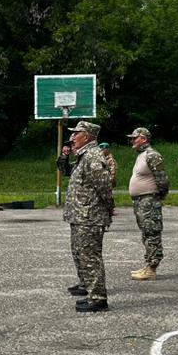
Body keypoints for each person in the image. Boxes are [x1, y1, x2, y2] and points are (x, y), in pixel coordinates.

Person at [62, 121, 114, 313]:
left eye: (76, 134)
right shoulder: (84, 156)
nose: (72, 137)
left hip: (90, 216)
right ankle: (89, 289)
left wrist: (108, 209)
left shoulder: (92, 156)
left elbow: (104, 186)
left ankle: (98, 299)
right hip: (80, 215)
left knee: (90, 258)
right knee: (81, 254)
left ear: (87, 136)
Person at [126, 127, 169, 280]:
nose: (132, 140)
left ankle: (152, 268)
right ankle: (148, 264)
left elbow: (162, 179)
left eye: (135, 138)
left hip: (148, 201)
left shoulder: (152, 155)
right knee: (146, 233)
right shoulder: (142, 155)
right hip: (140, 201)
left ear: (144, 139)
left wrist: (159, 196)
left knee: (152, 233)